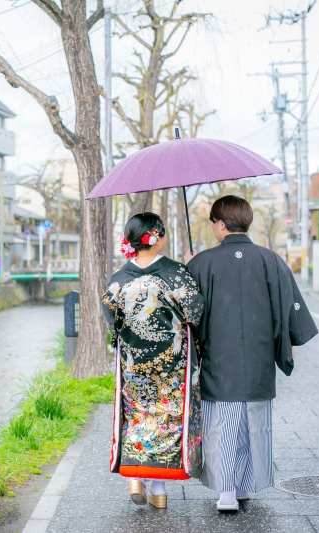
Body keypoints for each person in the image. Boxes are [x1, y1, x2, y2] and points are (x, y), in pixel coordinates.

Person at [184, 195, 318, 512]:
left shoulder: (202, 262)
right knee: (253, 424)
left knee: (222, 425)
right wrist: (289, 344)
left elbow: (188, 312)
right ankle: (245, 487)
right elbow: (289, 306)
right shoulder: (271, 259)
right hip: (259, 360)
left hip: (218, 360)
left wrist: (188, 266)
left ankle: (227, 493)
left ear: (219, 224)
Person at [102, 212, 205, 510]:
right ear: (156, 236)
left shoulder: (120, 278)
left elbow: (112, 316)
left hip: (134, 363)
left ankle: (136, 479)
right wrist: (190, 266)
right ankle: (159, 491)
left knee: (137, 417)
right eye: (163, 233)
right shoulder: (175, 272)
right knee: (167, 419)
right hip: (171, 364)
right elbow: (194, 311)